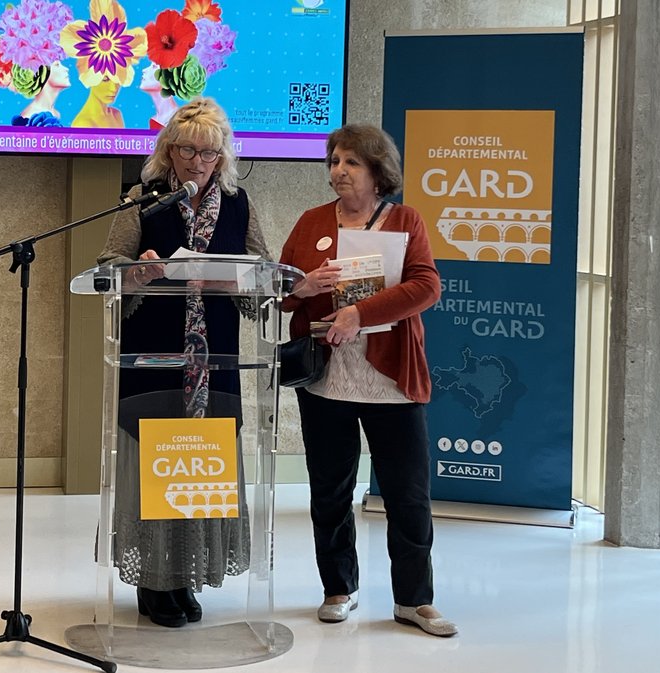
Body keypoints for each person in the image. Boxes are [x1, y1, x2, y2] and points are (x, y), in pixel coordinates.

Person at [97, 97, 271, 628]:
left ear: (223, 156)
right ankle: (154, 582)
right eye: (188, 150)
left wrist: (238, 279)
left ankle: (188, 575)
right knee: (157, 466)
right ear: (168, 150)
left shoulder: (241, 204)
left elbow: (262, 275)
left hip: (217, 364)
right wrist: (137, 271)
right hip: (151, 360)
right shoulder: (141, 200)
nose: (198, 162)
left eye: (210, 153)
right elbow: (107, 270)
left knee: (199, 468)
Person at [278, 124, 457, 637]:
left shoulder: (405, 220)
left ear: (378, 171)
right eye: (334, 161)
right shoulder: (312, 221)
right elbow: (283, 289)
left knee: (407, 493)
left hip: (390, 380)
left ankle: (414, 601)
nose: (338, 171)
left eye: (351, 162)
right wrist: (302, 287)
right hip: (327, 380)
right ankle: (339, 588)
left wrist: (359, 311)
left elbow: (426, 286)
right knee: (329, 491)